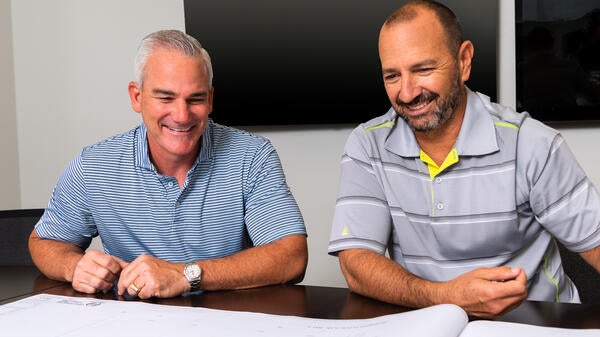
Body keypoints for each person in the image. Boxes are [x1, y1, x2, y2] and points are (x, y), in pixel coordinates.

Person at [328, 0, 600, 319]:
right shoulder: (367, 144)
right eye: (392, 76)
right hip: (430, 324)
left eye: (423, 69)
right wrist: (446, 297)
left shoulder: (532, 143)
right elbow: (357, 263)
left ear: (463, 61)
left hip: (533, 328)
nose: (406, 93)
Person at [29, 29, 308, 299]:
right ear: (136, 97)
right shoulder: (93, 166)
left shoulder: (252, 156)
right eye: (166, 97)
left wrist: (185, 275)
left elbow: (292, 257)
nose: (181, 115)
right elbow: (44, 242)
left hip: (229, 322)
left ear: (210, 99)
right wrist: (74, 266)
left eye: (195, 99)